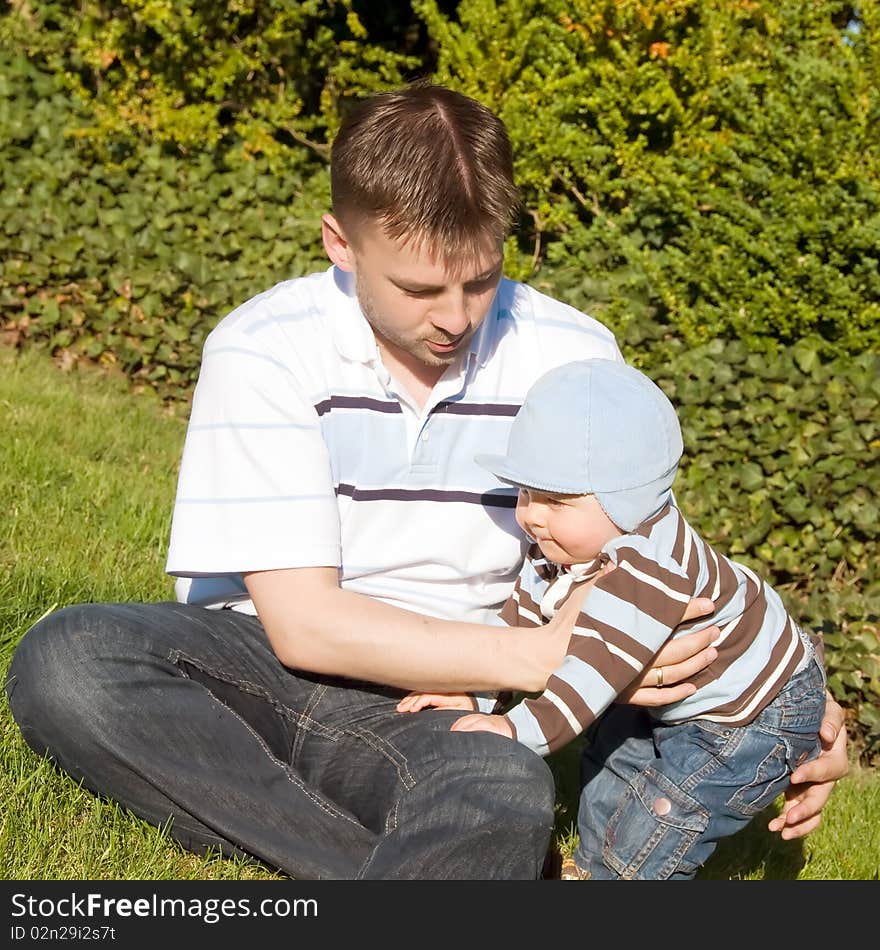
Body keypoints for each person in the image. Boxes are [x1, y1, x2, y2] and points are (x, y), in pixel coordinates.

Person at [5, 83, 847, 880]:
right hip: (253, 671)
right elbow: (303, 628)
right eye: (418, 287)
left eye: (480, 280)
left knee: (504, 791)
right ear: (341, 243)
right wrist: (535, 655)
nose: (453, 316)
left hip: (442, 709)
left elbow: (650, 555)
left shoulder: (573, 356)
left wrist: (794, 702)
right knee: (70, 660)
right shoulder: (263, 346)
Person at [398, 358, 828, 879]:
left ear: (627, 502)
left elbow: (589, 674)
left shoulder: (647, 567)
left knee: (667, 812)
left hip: (754, 714)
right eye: (526, 492)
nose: (532, 514)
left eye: (556, 500)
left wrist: (513, 730)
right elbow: (518, 634)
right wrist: (477, 694)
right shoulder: (561, 550)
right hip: (681, 697)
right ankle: (592, 869)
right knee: (611, 771)